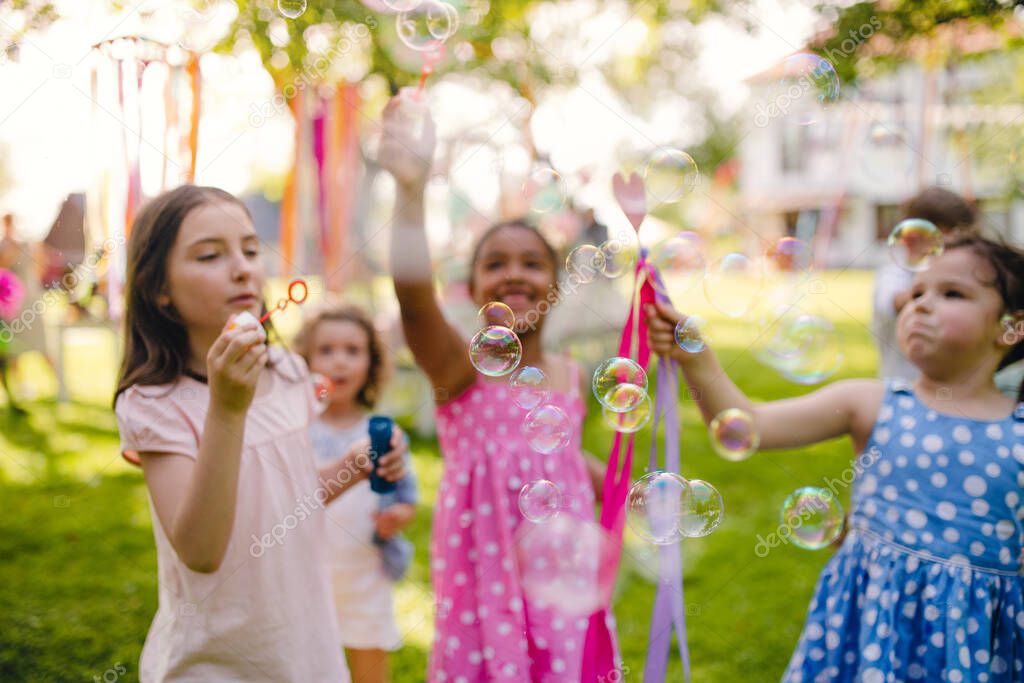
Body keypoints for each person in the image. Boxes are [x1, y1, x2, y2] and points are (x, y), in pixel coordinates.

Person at [647, 232, 1024, 681]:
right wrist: (698, 355)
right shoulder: (871, 402)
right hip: (868, 623)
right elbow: (750, 422)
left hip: (973, 639)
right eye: (916, 292)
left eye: (952, 293)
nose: (920, 305)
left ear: (1010, 327)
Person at [111, 185, 407, 681]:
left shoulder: (288, 371)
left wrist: (353, 467)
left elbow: (288, 498)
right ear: (159, 288)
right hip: (218, 658)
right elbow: (201, 551)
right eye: (210, 255)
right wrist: (227, 411)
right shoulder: (155, 404)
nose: (242, 267)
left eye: (250, 249)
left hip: (302, 641)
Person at [377, 91, 613, 681]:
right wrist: (410, 190)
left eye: (532, 263)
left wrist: (616, 487)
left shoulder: (569, 374)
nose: (514, 273)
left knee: (562, 657)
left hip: (561, 562)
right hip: (485, 565)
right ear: (473, 285)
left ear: (554, 285)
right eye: (496, 262)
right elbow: (412, 298)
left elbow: (557, 450)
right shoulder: (461, 370)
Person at [296, 304, 418, 683]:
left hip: (365, 572)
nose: (340, 362)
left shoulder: (383, 431)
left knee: (369, 660)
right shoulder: (296, 427)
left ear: (372, 362)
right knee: (304, 663)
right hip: (304, 574)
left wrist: (398, 516)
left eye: (352, 351)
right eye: (327, 350)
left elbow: (406, 499)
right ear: (306, 361)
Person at [872, 187, 976, 382]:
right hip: (902, 388)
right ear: (912, 237)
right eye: (947, 241)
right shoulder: (894, 274)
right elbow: (893, 302)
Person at [0, 212, 54, 409]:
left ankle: (57, 385)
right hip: (12, 304)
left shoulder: (28, 243)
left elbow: (41, 263)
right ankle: (20, 385)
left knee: (41, 343)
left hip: (29, 299)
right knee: (14, 349)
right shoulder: (4, 245)